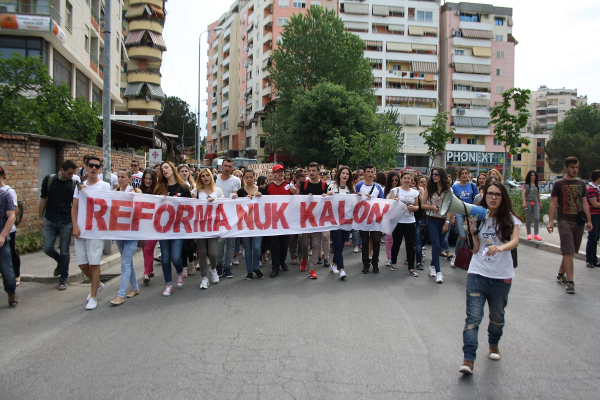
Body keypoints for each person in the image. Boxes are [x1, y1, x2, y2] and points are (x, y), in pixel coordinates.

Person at [459, 181, 522, 375]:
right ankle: (468, 360)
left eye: (497, 194)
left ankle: (493, 343)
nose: (493, 197)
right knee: (473, 318)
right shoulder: (479, 217)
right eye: (490, 194)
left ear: (503, 198)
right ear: (484, 197)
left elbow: (515, 241)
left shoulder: (510, 219)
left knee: (497, 317)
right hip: (478, 273)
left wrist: (500, 248)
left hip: (502, 276)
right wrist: (470, 228)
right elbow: (475, 249)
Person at [547, 157, 593, 294]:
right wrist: (550, 221)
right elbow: (553, 203)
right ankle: (570, 282)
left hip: (578, 221)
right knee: (568, 251)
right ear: (566, 168)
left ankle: (561, 274)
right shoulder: (559, 184)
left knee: (571, 251)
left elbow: (585, 203)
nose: (575, 170)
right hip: (564, 221)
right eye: (572, 167)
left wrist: (589, 221)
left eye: (577, 167)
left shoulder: (581, 184)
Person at [71, 156, 112, 310]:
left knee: (94, 262)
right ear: (86, 167)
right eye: (91, 166)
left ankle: (93, 295)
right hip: (81, 229)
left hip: (96, 230)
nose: (94, 168)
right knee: (82, 263)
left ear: (100, 169)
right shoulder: (79, 187)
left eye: (97, 166)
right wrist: (74, 226)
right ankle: (99, 284)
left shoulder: (105, 186)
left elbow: (112, 203)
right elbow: (74, 207)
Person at [39, 160, 79, 290]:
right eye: (69, 173)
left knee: (65, 251)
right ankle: (60, 263)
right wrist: (40, 218)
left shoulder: (74, 184)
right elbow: (43, 199)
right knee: (47, 247)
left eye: (73, 174)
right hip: (50, 219)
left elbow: (78, 202)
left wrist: (75, 223)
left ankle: (63, 278)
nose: (71, 176)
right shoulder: (49, 180)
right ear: (62, 170)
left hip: (66, 221)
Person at [154, 161, 191, 296]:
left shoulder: (183, 187)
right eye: (162, 169)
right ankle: (168, 284)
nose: (164, 170)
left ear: (172, 169)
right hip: (163, 228)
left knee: (175, 256)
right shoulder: (159, 187)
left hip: (178, 227)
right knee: (165, 258)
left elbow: (191, 206)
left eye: (166, 167)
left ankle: (180, 271)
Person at [110, 169, 142, 306]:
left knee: (124, 262)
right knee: (127, 261)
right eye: (118, 177)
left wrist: (135, 195)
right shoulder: (115, 193)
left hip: (132, 232)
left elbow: (143, 205)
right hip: (119, 232)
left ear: (130, 179)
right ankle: (135, 287)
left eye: (123, 177)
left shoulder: (135, 191)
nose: (120, 179)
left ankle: (120, 294)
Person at [191, 168, 223, 290]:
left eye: (207, 175)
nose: (205, 178)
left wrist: (215, 202)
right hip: (200, 226)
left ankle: (213, 269)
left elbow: (224, 206)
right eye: (203, 176)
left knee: (213, 253)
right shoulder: (196, 191)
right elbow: (191, 207)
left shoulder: (218, 191)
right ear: (200, 178)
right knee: (202, 253)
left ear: (211, 177)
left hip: (214, 226)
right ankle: (204, 277)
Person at [266, 164, 298, 278]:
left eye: (282, 171)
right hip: (274, 220)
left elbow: (297, 199)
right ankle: (275, 267)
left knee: (284, 244)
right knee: (274, 245)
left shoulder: (289, 185)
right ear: (274, 174)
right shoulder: (269, 187)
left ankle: (282, 262)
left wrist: (294, 193)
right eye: (278, 171)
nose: (281, 173)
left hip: (286, 220)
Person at [422, 167, 452, 284]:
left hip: (444, 220)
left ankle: (432, 266)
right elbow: (423, 205)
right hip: (432, 220)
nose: (434, 176)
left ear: (442, 176)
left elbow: (451, 207)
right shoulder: (429, 188)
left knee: (439, 245)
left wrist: (447, 222)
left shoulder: (448, 190)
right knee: (435, 245)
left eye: (437, 174)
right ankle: (439, 273)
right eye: (433, 174)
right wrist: (431, 207)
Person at [300, 162, 329, 280]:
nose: (311, 173)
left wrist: (326, 196)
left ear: (318, 172)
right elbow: (299, 198)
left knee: (316, 245)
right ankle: (305, 259)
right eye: (309, 171)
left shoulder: (324, 185)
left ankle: (313, 268)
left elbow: (328, 200)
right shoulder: (304, 184)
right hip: (306, 219)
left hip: (318, 220)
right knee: (305, 244)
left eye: (313, 171)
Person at [237, 169, 266, 280]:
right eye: (247, 177)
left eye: (251, 177)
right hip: (245, 224)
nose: (249, 180)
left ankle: (256, 267)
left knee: (257, 247)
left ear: (255, 177)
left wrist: (260, 197)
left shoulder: (261, 190)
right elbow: (237, 207)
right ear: (244, 178)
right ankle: (249, 271)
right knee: (248, 248)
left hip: (258, 223)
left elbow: (267, 205)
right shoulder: (240, 191)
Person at [355, 165, 384, 274]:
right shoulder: (359, 186)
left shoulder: (378, 187)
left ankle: (375, 263)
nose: (370, 174)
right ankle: (365, 264)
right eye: (368, 172)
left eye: (372, 172)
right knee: (365, 242)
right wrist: (358, 196)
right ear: (364, 173)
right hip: (363, 218)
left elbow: (382, 201)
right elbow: (354, 200)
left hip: (375, 218)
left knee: (376, 241)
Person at [389, 172, 420, 275]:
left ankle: (411, 268)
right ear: (401, 179)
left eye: (409, 178)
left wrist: (413, 208)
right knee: (396, 243)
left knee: (410, 245)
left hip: (410, 221)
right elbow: (389, 204)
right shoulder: (395, 190)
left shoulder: (414, 192)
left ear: (411, 180)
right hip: (398, 221)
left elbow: (417, 207)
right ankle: (393, 262)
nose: (407, 180)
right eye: (405, 178)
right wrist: (395, 201)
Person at [214, 158, 241, 278]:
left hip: (231, 215)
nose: (227, 168)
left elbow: (235, 193)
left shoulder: (236, 180)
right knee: (220, 241)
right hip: (218, 215)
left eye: (230, 166)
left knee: (231, 242)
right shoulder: (215, 179)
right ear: (221, 166)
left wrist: (235, 196)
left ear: (232, 168)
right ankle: (219, 264)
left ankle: (227, 266)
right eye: (225, 166)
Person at [326, 165, 354, 280]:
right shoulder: (332, 187)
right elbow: (326, 202)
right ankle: (341, 269)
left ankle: (334, 265)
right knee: (337, 244)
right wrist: (327, 195)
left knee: (341, 244)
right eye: (343, 173)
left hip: (346, 221)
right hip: (334, 220)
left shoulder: (352, 188)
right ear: (339, 174)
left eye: (347, 174)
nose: (345, 175)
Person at [451, 168, 479, 266]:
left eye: (466, 173)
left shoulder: (472, 186)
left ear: (468, 175)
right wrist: (453, 216)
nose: (464, 175)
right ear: (459, 175)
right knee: (462, 236)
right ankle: (456, 255)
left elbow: (476, 200)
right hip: (459, 212)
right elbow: (452, 202)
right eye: (462, 173)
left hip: (470, 212)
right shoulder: (455, 187)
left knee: (470, 235)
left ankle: (468, 256)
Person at [0, 166, 21, 287]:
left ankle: (16, 275)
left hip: (8, 229)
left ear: (3, 175)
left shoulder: (8, 192)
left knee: (11, 253)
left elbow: (14, 211)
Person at [177, 164, 197, 276]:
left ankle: (190, 261)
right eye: (182, 171)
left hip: (190, 218)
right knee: (182, 244)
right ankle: (184, 266)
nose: (184, 173)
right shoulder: (176, 186)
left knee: (189, 244)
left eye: (186, 171)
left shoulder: (193, 186)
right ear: (178, 173)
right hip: (179, 218)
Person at [139, 169, 158, 283]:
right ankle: (149, 270)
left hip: (154, 225)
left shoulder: (157, 191)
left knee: (148, 248)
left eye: (150, 179)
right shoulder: (138, 191)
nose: (148, 181)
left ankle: (146, 272)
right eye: (146, 178)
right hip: (142, 225)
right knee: (145, 249)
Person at [0, 189, 17, 307]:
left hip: (1, 241)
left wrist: (2, 235)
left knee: (8, 274)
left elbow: (11, 217)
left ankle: (11, 292)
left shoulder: (5, 195)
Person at [288, 169, 306, 265]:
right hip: (293, 216)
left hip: (303, 216)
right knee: (293, 238)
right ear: (296, 179)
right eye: (300, 181)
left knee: (302, 238)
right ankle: (293, 256)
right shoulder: (291, 188)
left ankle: (301, 256)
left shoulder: (306, 189)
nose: (301, 183)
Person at [383, 171, 400, 267]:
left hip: (399, 218)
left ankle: (395, 257)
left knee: (397, 239)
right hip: (388, 218)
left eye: (396, 180)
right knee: (389, 238)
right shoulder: (385, 190)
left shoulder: (401, 190)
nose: (394, 181)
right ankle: (389, 257)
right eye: (392, 180)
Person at [522, 170, 542, 241]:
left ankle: (536, 234)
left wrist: (540, 202)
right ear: (529, 176)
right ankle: (529, 233)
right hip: (528, 202)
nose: (533, 177)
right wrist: (524, 202)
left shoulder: (536, 184)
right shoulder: (526, 185)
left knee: (536, 218)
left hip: (536, 202)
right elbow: (523, 194)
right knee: (528, 218)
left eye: (534, 175)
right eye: (531, 175)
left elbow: (538, 194)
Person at [586, 170, 600, 268]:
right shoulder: (590, 188)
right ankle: (589, 259)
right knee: (592, 237)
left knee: (596, 238)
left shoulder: (597, 188)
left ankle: (594, 259)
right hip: (593, 215)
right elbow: (595, 204)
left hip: (598, 215)